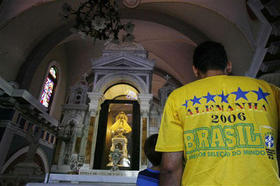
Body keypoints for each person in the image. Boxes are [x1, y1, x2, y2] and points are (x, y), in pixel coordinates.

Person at [155, 41, 280, 186]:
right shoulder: (267, 90)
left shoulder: (178, 98)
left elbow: (170, 168)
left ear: (195, 70)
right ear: (228, 65)